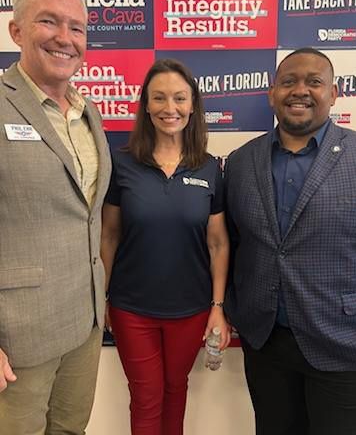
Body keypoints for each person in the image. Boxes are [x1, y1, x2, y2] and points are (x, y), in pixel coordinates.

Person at [224, 47, 356, 435]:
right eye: (289, 81)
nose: (300, 90)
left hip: (343, 344)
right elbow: (233, 241)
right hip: (266, 344)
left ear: (333, 94)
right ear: (272, 93)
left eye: (314, 82)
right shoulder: (240, 162)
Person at [0, 0, 111, 435]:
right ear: (17, 29)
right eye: (49, 21)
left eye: (77, 27)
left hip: (84, 323)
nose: (65, 37)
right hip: (17, 338)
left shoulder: (89, 112)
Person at [101, 58, 231, 435]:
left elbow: (218, 242)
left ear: (192, 106)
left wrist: (217, 307)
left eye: (178, 98)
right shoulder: (122, 163)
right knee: (146, 397)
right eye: (158, 98)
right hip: (131, 309)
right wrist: (103, 297)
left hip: (190, 310)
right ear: (145, 106)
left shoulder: (209, 168)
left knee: (176, 391)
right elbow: (109, 235)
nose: (169, 108)